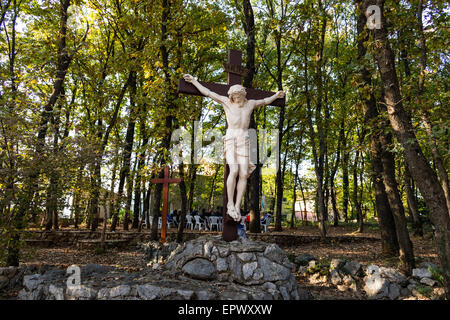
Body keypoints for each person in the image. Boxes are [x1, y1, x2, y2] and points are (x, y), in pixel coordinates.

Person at [183, 74, 284, 222]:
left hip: (244, 141)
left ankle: (237, 205)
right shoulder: (226, 103)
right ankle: (230, 203)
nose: (238, 100)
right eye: (235, 97)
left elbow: (264, 101)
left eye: (240, 97)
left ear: (243, 95)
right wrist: (193, 81)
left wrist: (276, 96)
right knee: (234, 170)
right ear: (231, 97)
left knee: (244, 174)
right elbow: (208, 92)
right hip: (230, 140)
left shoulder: (250, 104)